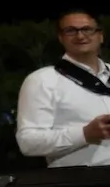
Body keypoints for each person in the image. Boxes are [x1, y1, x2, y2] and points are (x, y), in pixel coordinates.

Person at [16, 10, 110, 167]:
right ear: (61, 38)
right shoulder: (42, 80)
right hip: (81, 184)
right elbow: (27, 142)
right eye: (71, 31)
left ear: (100, 35)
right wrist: (84, 134)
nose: (80, 36)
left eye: (87, 29)